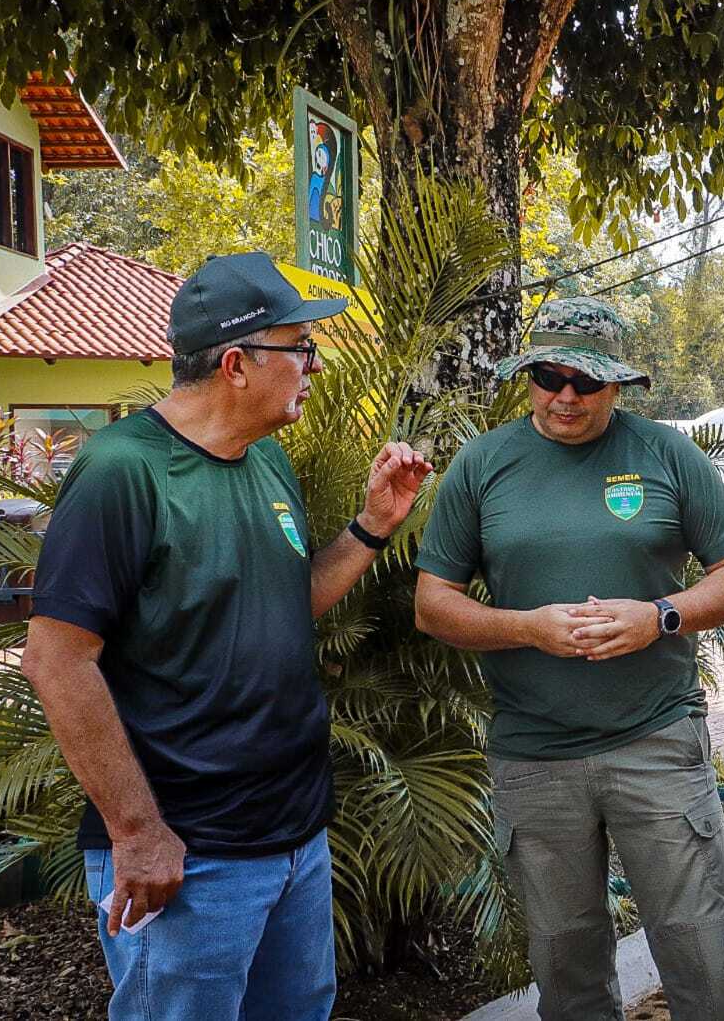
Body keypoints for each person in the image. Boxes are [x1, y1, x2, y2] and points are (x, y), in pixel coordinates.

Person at [24, 252, 433, 1021]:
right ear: (238, 364)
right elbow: (56, 660)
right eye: (300, 347)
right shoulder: (123, 471)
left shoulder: (265, 462)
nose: (315, 365)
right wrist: (137, 834)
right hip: (188, 855)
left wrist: (373, 527)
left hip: (293, 840)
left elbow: (288, 600)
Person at [413, 297, 724, 1021]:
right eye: (548, 376)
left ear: (617, 386)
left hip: (656, 742)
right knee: (567, 973)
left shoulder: (666, 454)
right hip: (535, 754)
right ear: (529, 375)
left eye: (585, 382)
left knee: (701, 956)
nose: (564, 395)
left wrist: (658, 616)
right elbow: (432, 603)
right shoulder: (484, 464)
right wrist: (527, 628)